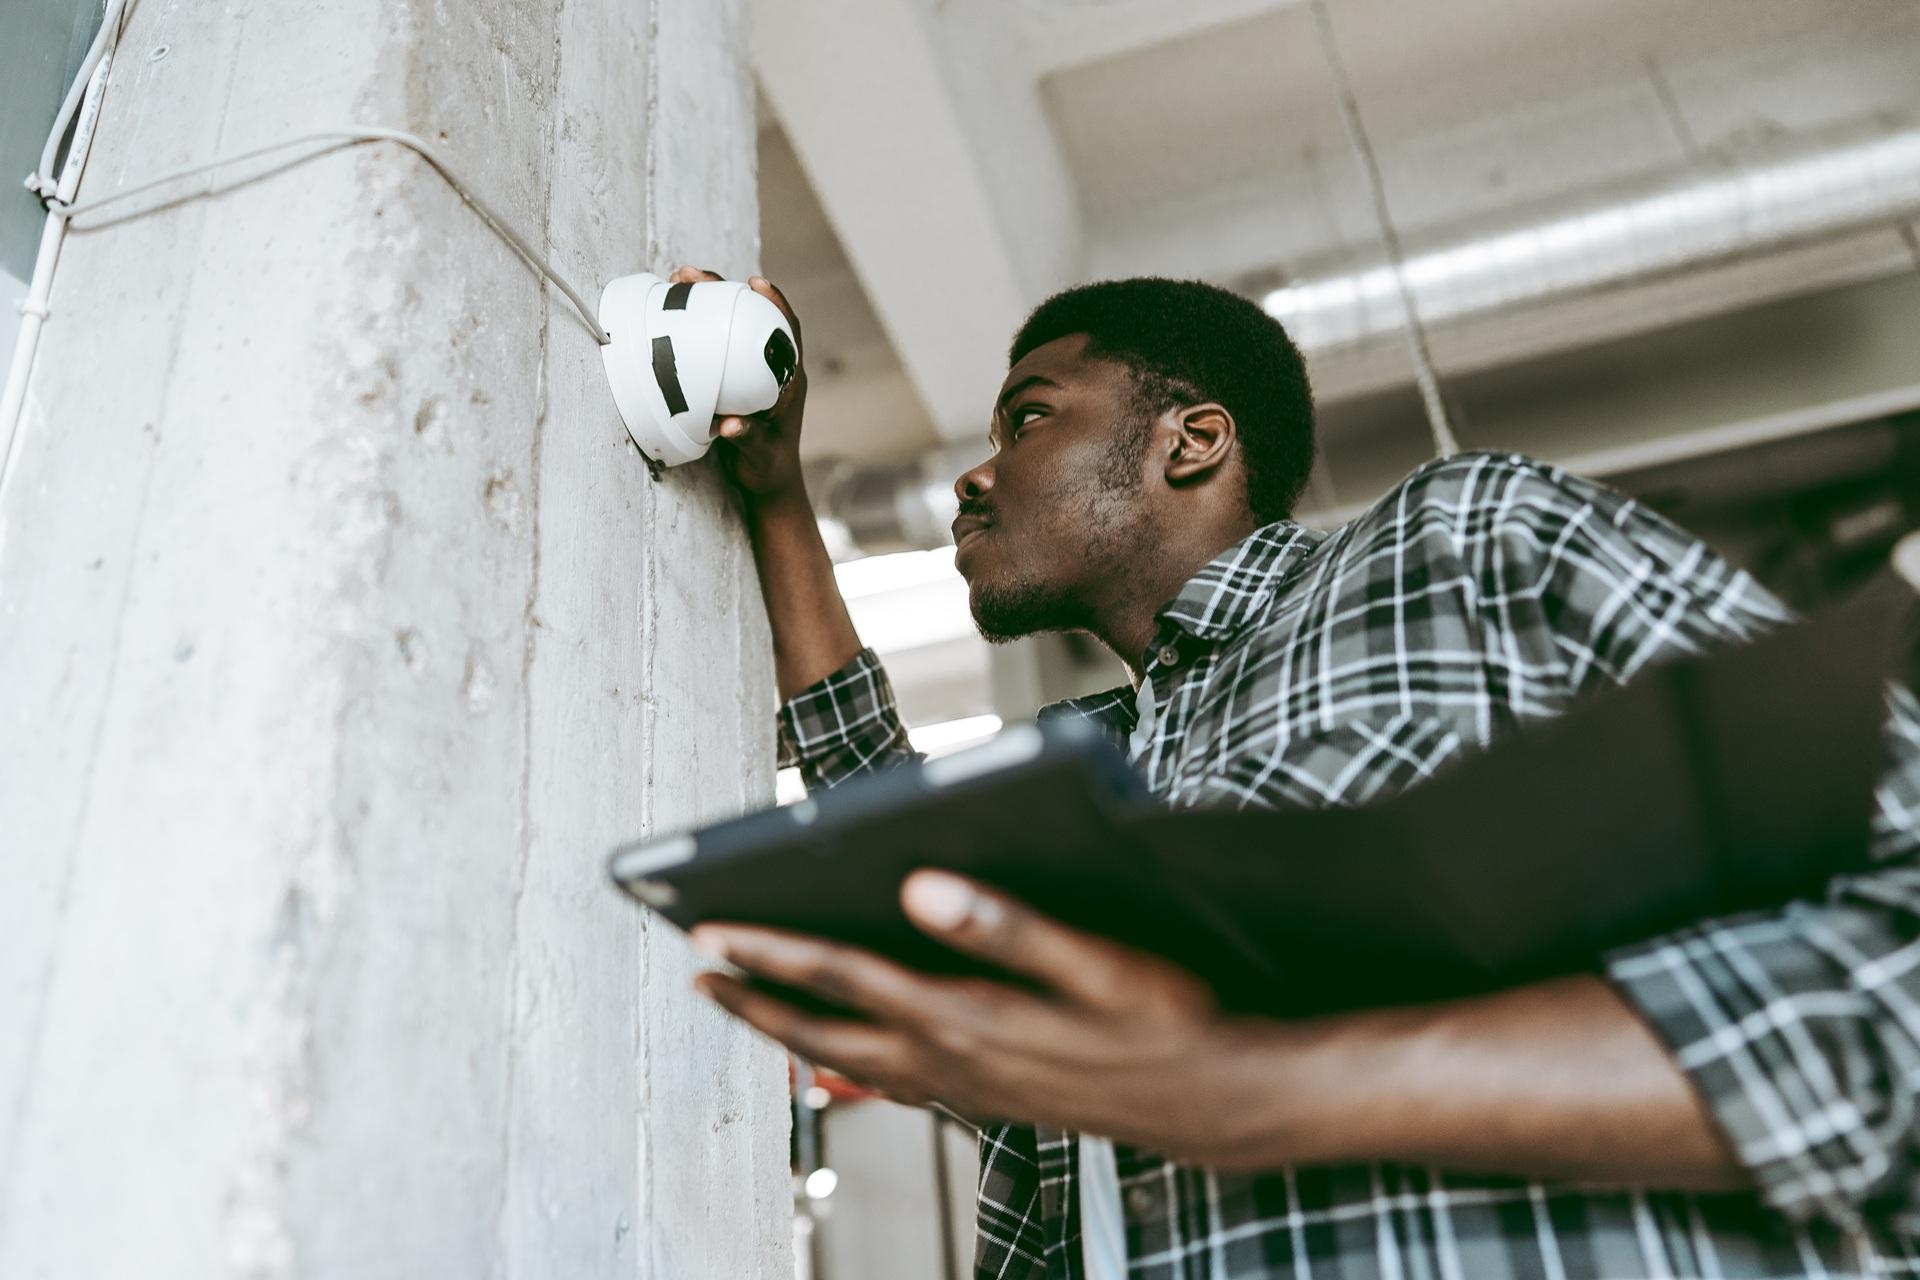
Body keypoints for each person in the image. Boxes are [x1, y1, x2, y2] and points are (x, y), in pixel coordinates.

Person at [671, 267, 1920, 1279]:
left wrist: (1269, 1087)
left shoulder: (1463, 544)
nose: (973, 473)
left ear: (1193, 442)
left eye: (1031, 415)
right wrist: (778, 501)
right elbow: (873, 807)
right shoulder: (1094, 772)